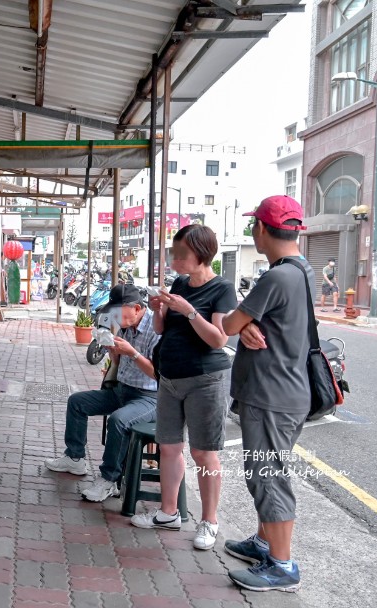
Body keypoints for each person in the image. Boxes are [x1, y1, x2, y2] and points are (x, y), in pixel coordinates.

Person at [221, 195, 312, 592]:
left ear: (260, 228)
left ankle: (282, 565)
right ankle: (263, 543)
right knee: (269, 471)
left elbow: (227, 323)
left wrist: (240, 325)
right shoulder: (302, 270)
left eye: (253, 225)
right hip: (288, 391)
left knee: (267, 477)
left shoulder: (276, 276)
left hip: (271, 396)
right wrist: (246, 326)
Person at [128, 225, 236, 551]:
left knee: (204, 452)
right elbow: (161, 329)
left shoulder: (222, 289)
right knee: (169, 447)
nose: (175, 261)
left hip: (205, 380)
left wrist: (189, 311)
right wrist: (159, 309)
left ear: (202, 255)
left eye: (181, 255)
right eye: (174, 254)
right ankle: (168, 512)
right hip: (169, 377)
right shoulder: (179, 284)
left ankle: (209, 521)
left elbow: (219, 339)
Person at [45, 285, 160, 502]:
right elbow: (120, 364)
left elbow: (158, 374)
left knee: (118, 420)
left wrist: (132, 353)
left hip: (149, 398)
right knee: (77, 402)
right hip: (122, 390)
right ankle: (75, 457)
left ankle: (109, 480)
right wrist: (113, 351)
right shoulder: (126, 326)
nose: (114, 317)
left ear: (136, 308)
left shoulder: (156, 329)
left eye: (118, 312)